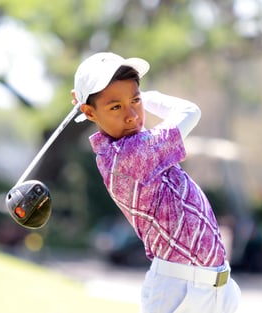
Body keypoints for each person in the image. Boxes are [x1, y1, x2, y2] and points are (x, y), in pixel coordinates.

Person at [72, 52, 241, 313]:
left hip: (216, 286)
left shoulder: (132, 147)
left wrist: (117, 99)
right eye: (115, 107)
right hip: (180, 291)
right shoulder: (128, 155)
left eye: (135, 101)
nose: (131, 115)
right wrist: (144, 96)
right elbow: (189, 111)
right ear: (89, 112)